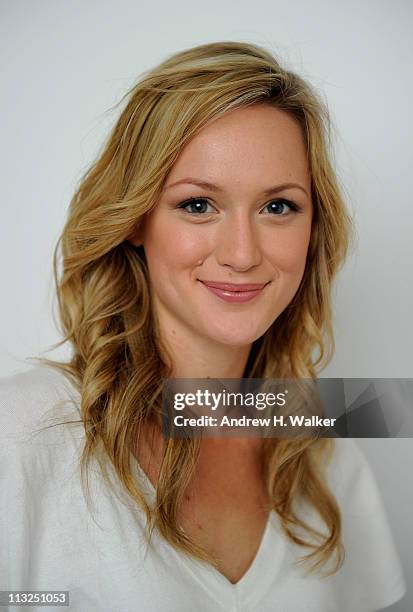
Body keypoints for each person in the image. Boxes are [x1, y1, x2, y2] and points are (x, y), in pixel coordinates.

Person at [0, 41, 406, 611]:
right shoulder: (19, 436)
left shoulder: (325, 452)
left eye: (278, 207)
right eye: (197, 205)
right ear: (136, 219)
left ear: (314, 228)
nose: (242, 254)